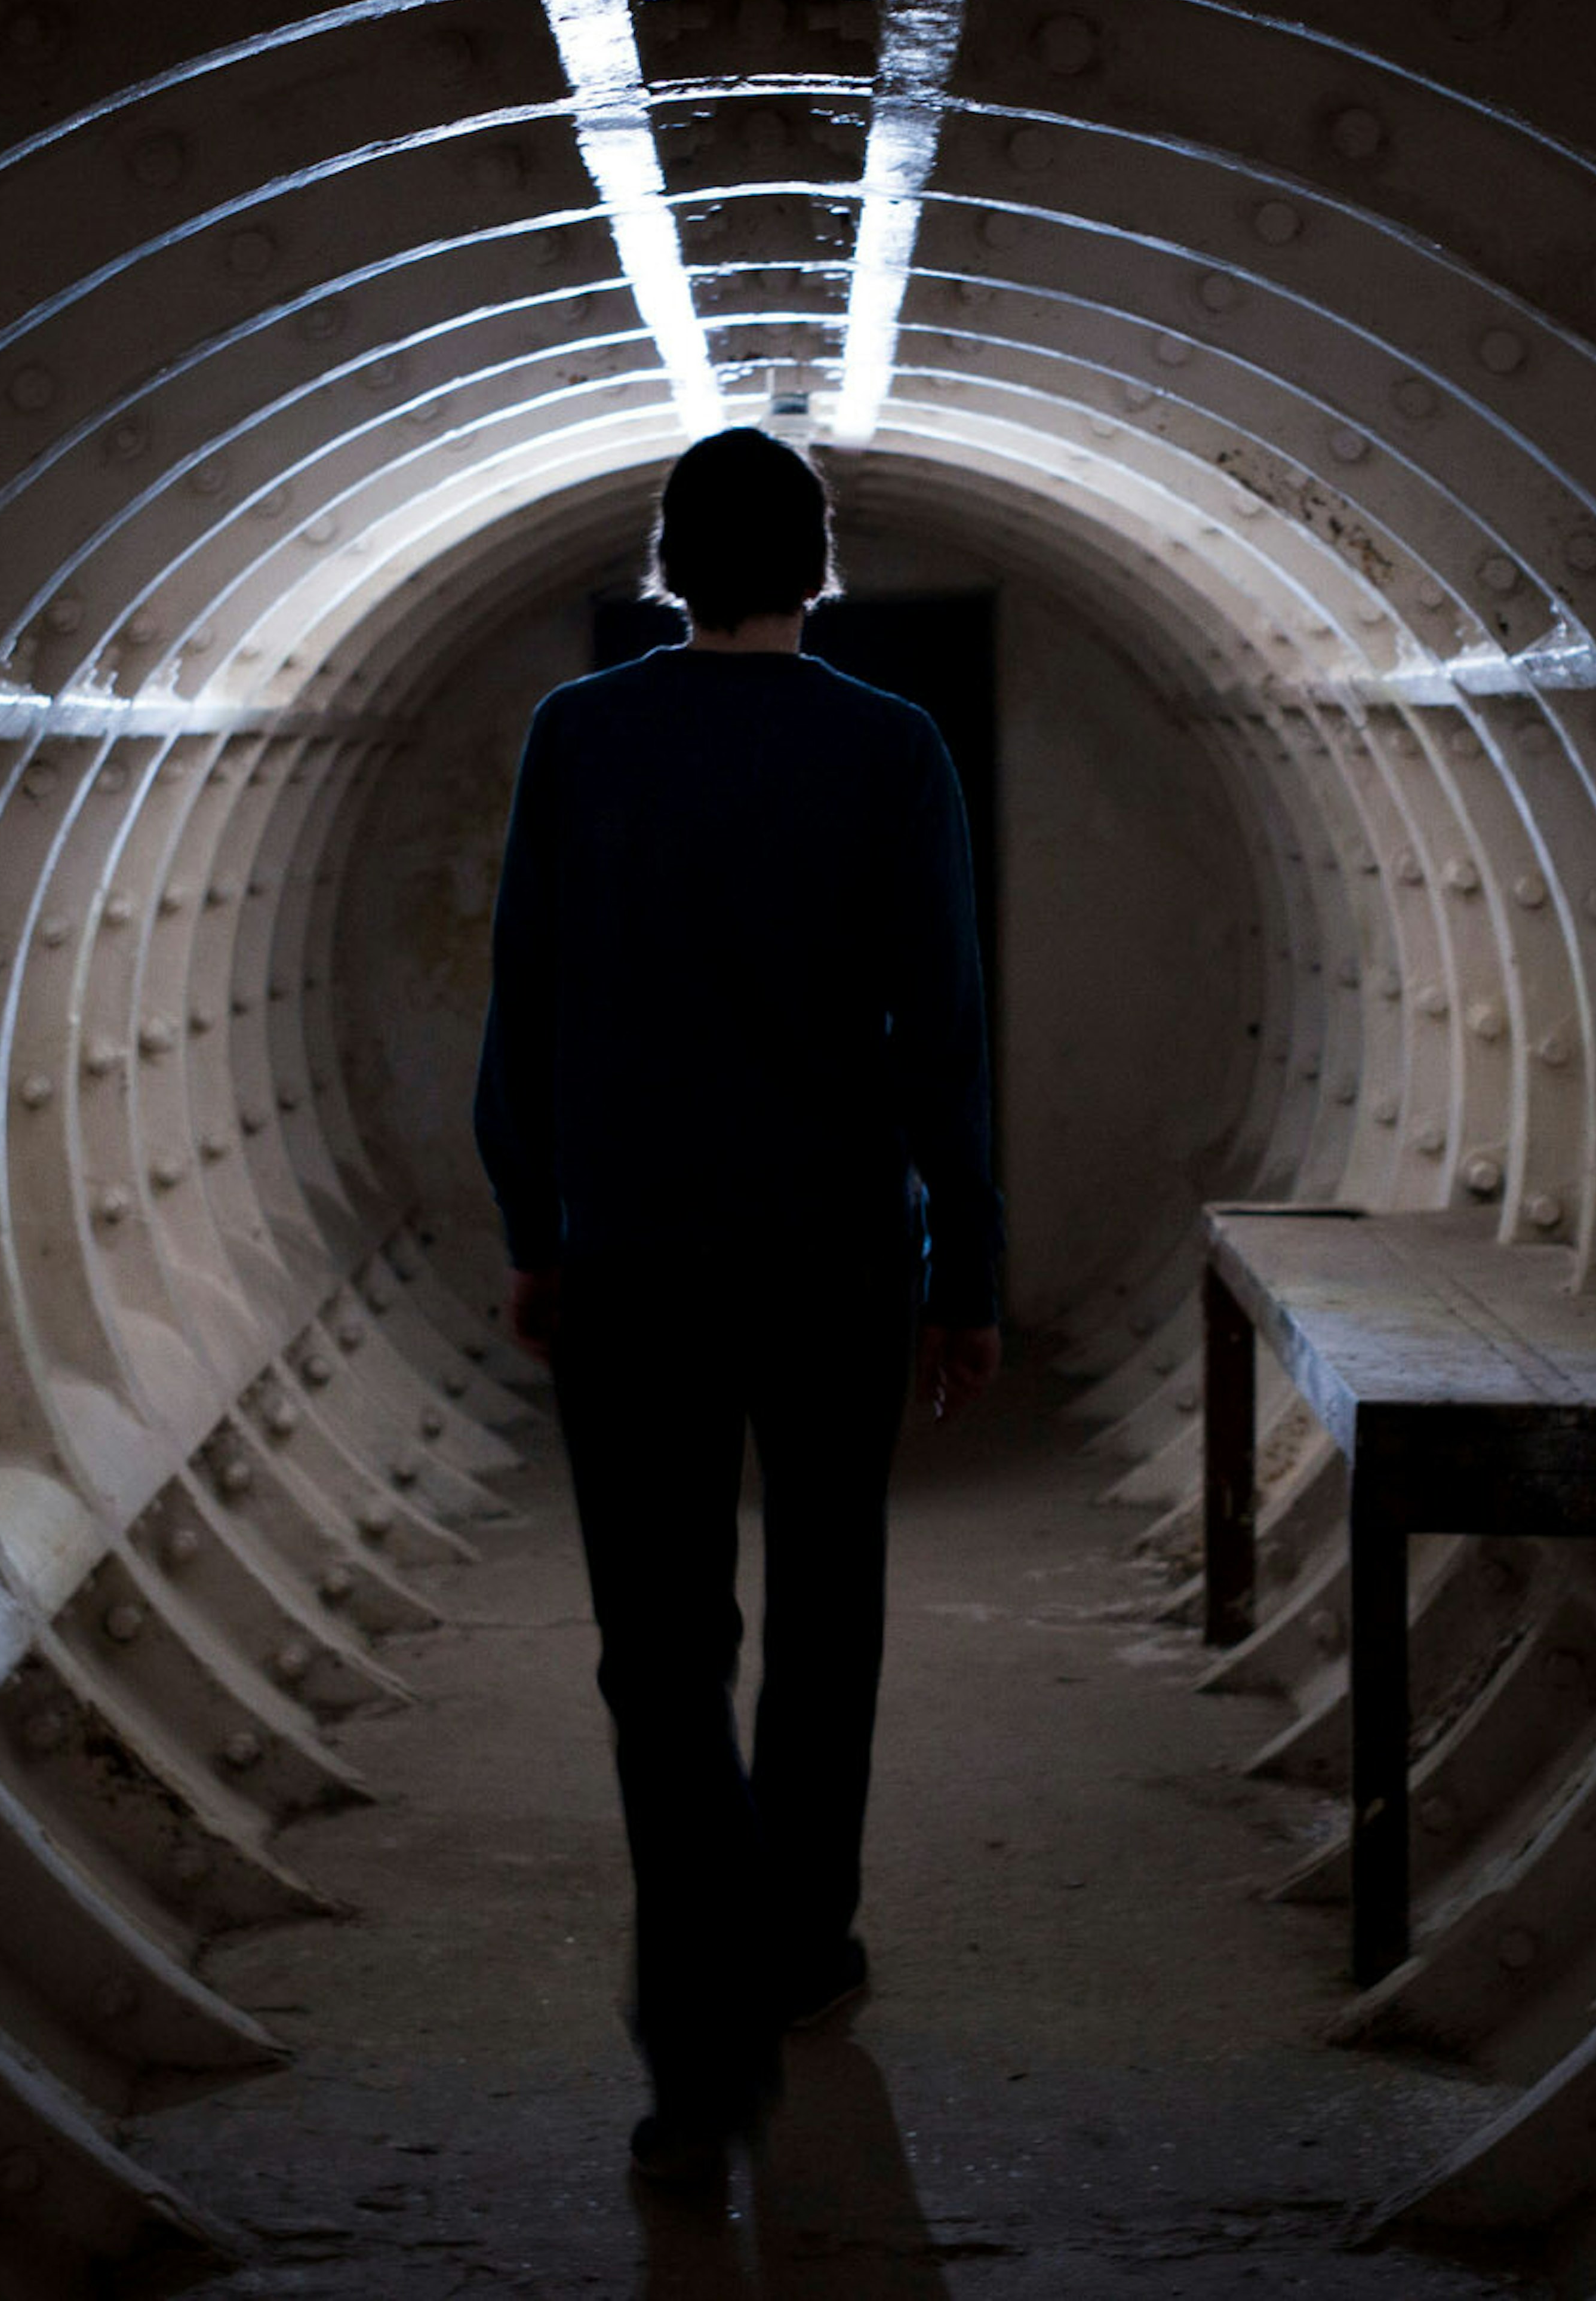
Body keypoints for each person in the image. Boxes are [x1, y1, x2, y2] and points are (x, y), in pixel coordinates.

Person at [473, 425, 1003, 2184]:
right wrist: (970, 1277)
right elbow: (941, 1035)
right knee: (830, 1601)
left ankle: (698, 2072)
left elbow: (525, 1010)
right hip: (839, 1258)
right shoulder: (894, 746)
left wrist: (535, 1228)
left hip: (633, 1259)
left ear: (666, 566)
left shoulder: (580, 735)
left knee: (662, 1654)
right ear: (820, 568)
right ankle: (803, 1949)